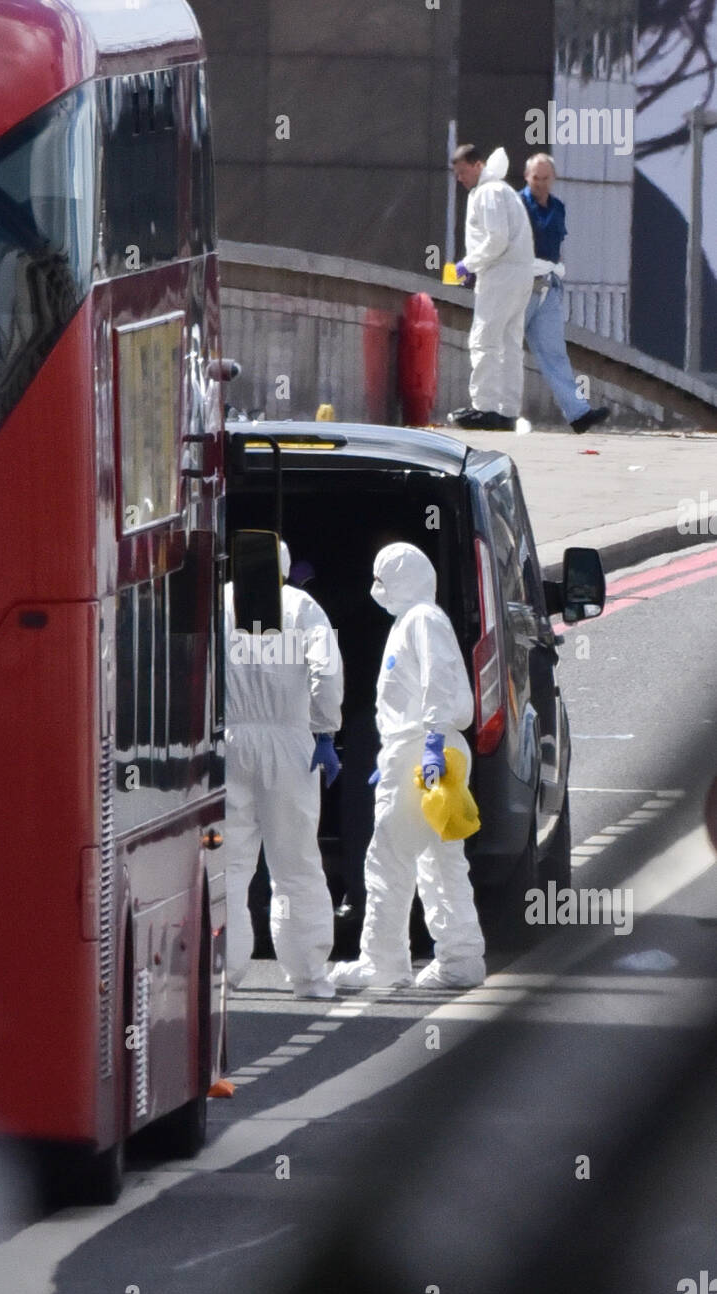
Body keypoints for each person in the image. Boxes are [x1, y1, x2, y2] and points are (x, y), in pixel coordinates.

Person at [329, 543, 486, 990]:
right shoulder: (414, 620)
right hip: (419, 747)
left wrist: (430, 743)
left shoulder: (420, 619)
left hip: (421, 748)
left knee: (388, 858)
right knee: (439, 859)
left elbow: (437, 680)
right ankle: (461, 958)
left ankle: (383, 962)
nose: (377, 588)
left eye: (383, 578)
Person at [225, 541, 343, 998]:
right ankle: (309, 976)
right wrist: (326, 731)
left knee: (230, 866)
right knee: (294, 863)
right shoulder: (301, 606)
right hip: (290, 743)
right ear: (286, 566)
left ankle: (223, 975)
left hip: (230, 741)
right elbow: (326, 671)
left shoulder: (220, 602)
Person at [447, 144, 535, 431]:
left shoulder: (488, 192)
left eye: (462, 172)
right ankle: (508, 411)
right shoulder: (503, 190)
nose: (460, 179)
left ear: (478, 165)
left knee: (484, 340)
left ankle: (483, 406)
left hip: (500, 275)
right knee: (510, 343)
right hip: (519, 273)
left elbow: (496, 239)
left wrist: (467, 265)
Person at [520, 153, 610, 434]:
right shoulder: (517, 204)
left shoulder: (558, 207)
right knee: (505, 348)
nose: (540, 184)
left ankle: (578, 413)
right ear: (527, 178)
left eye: (545, 178)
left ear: (553, 179)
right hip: (521, 285)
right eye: (536, 178)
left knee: (554, 353)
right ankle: (496, 411)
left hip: (547, 285)